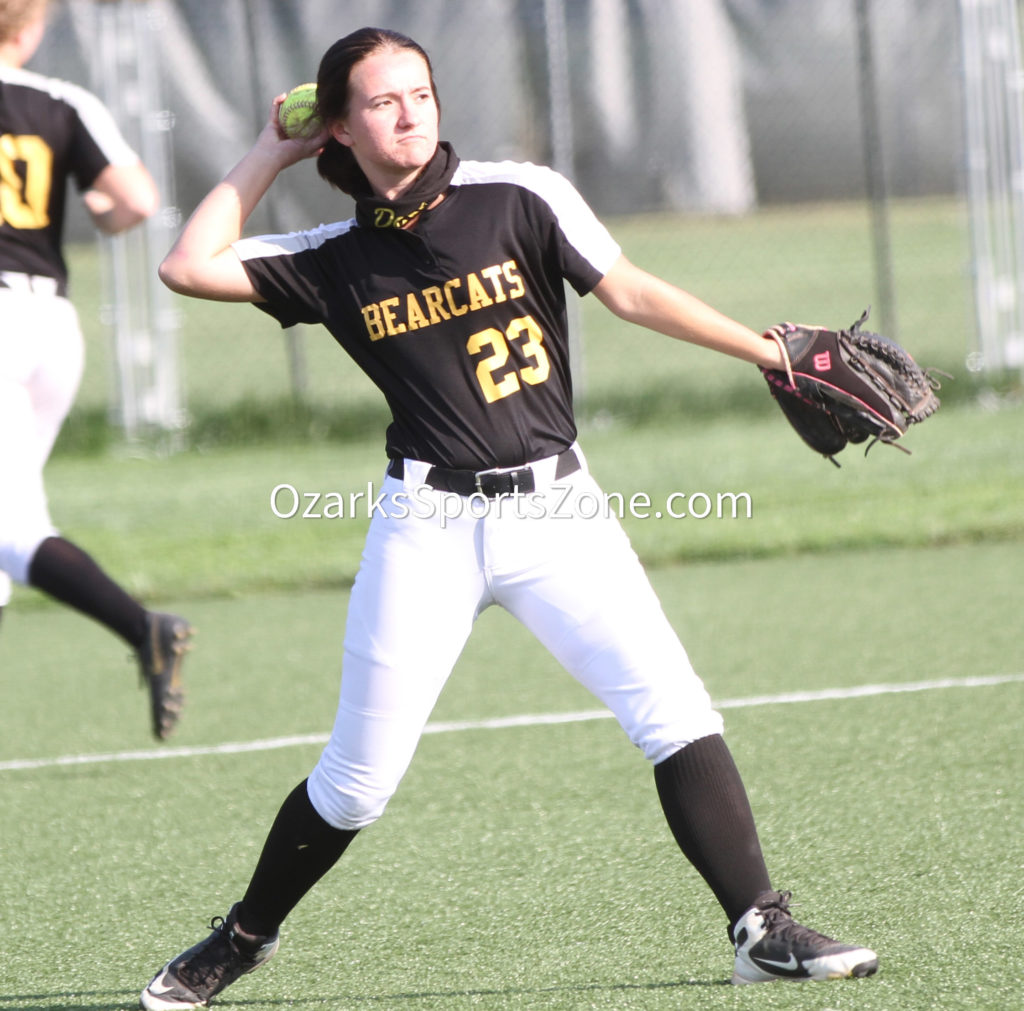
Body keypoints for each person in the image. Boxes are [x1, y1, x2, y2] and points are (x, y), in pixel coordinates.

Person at [140, 26, 878, 1008]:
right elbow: (187, 266)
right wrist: (272, 148)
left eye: (420, 93)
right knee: (357, 783)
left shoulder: (517, 195)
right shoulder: (334, 257)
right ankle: (243, 935)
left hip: (558, 512)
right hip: (426, 531)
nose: (408, 112)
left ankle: (761, 927)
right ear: (343, 132)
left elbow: (631, 291)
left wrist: (763, 350)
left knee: (672, 710)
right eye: (380, 102)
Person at [0, 0, 192, 740]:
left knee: (14, 526)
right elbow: (133, 202)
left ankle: (143, 626)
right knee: (8, 515)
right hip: (49, 323)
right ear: (34, 26)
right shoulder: (62, 100)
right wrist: (98, 213)